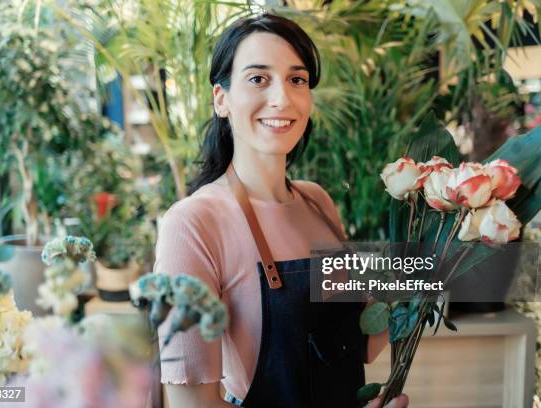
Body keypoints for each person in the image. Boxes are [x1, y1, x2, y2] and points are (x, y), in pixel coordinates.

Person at [154, 13, 408, 408]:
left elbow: (360, 343)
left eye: (297, 79)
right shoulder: (191, 225)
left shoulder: (316, 201)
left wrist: (441, 253)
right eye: (258, 78)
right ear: (221, 99)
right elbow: (192, 405)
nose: (282, 98)